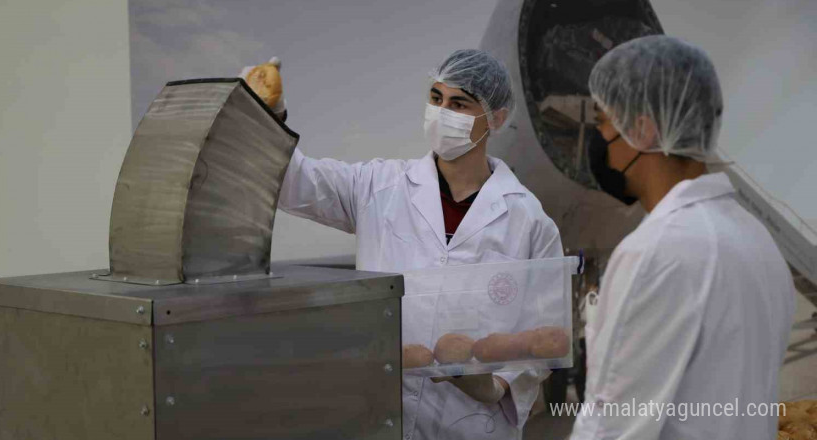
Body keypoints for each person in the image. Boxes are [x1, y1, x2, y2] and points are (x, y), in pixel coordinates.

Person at [271, 50, 562, 439]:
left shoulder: (530, 222)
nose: (442, 113)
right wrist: (271, 117)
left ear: (495, 118)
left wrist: (494, 386)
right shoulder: (379, 187)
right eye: (436, 98)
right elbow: (296, 182)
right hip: (381, 415)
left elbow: (544, 332)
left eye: (459, 104)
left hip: (472, 424)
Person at [570, 35, 796, 439]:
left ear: (641, 130)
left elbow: (612, 427)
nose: (597, 136)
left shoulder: (658, 250)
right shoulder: (755, 239)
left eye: (602, 120)